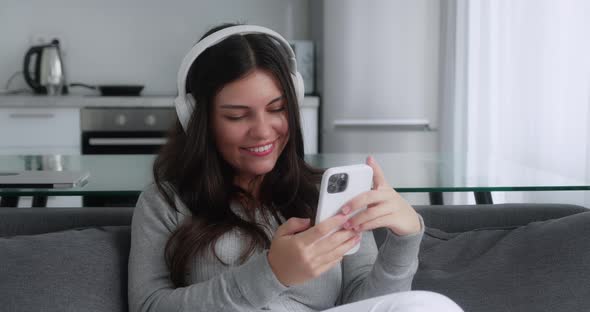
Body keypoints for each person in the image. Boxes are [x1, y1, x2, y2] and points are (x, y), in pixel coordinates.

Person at [128, 23, 463, 312]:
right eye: (237, 115)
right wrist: (272, 273)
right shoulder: (165, 201)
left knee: (431, 305)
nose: (262, 130)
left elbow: (363, 302)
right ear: (196, 118)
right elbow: (149, 306)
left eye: (277, 108)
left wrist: (405, 241)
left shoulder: (323, 194)